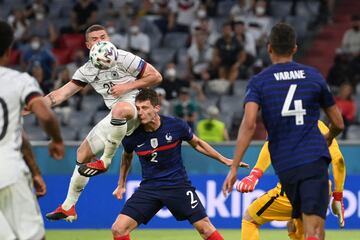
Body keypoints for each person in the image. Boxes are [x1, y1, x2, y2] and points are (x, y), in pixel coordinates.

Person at [222, 23, 344, 240]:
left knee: (256, 219)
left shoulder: (260, 82)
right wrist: (328, 137)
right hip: (316, 162)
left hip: (289, 164)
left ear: (269, 48)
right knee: (311, 231)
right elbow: (338, 123)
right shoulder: (314, 76)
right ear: (295, 48)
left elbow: (249, 125)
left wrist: (234, 168)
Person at [44, 24, 162, 221]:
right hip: (117, 118)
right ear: (88, 45)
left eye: (103, 36)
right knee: (82, 153)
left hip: (137, 107)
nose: (101, 41)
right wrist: (35, 104)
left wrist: (128, 86)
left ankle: (106, 161)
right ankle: (68, 206)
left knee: (120, 108)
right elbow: (60, 94)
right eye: (96, 39)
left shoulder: (124, 57)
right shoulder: (86, 70)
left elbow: (156, 76)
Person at [111, 88, 248, 240]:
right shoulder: (132, 135)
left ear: (157, 108)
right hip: (149, 188)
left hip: (177, 185)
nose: (140, 112)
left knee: (205, 228)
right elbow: (127, 157)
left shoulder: (175, 125)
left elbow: (197, 143)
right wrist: (121, 183)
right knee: (118, 229)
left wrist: (225, 160)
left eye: (145, 107)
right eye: (137, 108)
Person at [0, 20, 64, 240]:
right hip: (9, 172)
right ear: (9, 51)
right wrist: (56, 140)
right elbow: (45, 115)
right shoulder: (19, 81)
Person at [237, 121, 346, 240]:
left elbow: (270, 146)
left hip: (294, 189)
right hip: (322, 189)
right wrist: (338, 196)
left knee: (250, 219)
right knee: (296, 227)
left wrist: (255, 175)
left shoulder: (283, 121)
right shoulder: (320, 125)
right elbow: (339, 161)